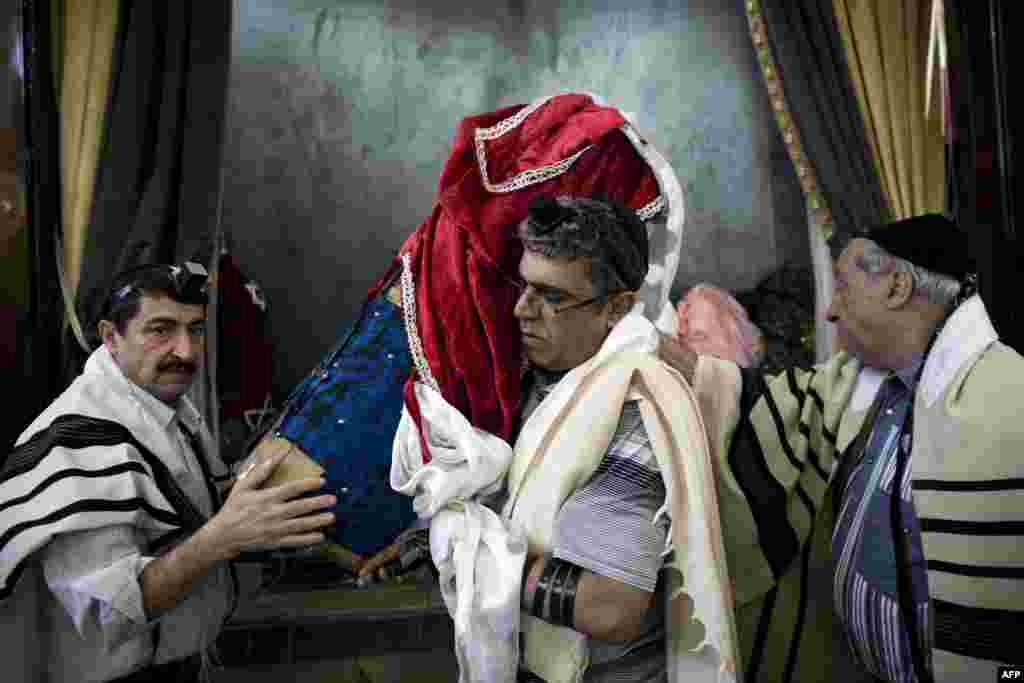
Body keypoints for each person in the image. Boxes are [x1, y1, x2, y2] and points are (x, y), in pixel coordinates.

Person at [661, 214, 1024, 682]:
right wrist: (637, 351)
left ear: (896, 287)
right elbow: (756, 399)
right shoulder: (858, 382)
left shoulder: (1008, 400)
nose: (830, 310)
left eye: (845, 286)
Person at [0, 262, 336, 683]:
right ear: (110, 337)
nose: (186, 351)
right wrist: (224, 534)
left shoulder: (163, 407)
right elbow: (112, 615)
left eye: (195, 329)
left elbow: (181, 524)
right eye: (161, 330)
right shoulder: (80, 439)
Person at [498, 196, 736, 682]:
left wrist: (471, 553)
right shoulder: (545, 380)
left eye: (553, 296)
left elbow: (610, 607)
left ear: (618, 308)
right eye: (524, 286)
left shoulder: (635, 406)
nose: (523, 310)